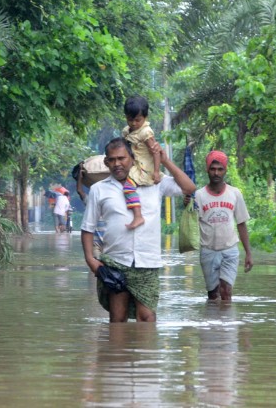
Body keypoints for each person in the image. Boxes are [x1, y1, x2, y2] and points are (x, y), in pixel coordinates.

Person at [81, 138, 196, 322]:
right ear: (106, 163)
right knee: (118, 320)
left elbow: (189, 188)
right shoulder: (98, 189)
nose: (117, 164)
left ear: (133, 158)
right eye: (112, 160)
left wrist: (164, 161)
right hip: (115, 262)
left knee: (147, 318)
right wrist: (90, 260)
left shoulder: (154, 180)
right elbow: (87, 228)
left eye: (122, 158)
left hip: (148, 263)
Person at [187, 150, 253, 301]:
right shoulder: (198, 195)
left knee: (226, 292)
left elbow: (241, 224)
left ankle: (227, 324)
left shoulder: (235, 194)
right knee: (213, 295)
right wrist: (188, 206)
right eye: (213, 169)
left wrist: (248, 253)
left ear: (225, 170)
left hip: (230, 250)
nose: (216, 173)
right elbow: (190, 224)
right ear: (207, 170)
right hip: (208, 251)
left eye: (220, 169)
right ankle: (214, 324)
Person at [121, 96, 162, 230]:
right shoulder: (127, 131)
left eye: (137, 120)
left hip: (144, 168)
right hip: (134, 164)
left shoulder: (145, 132)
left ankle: (138, 216)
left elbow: (156, 152)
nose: (133, 123)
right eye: (130, 119)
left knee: (128, 188)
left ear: (145, 117)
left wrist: (156, 171)